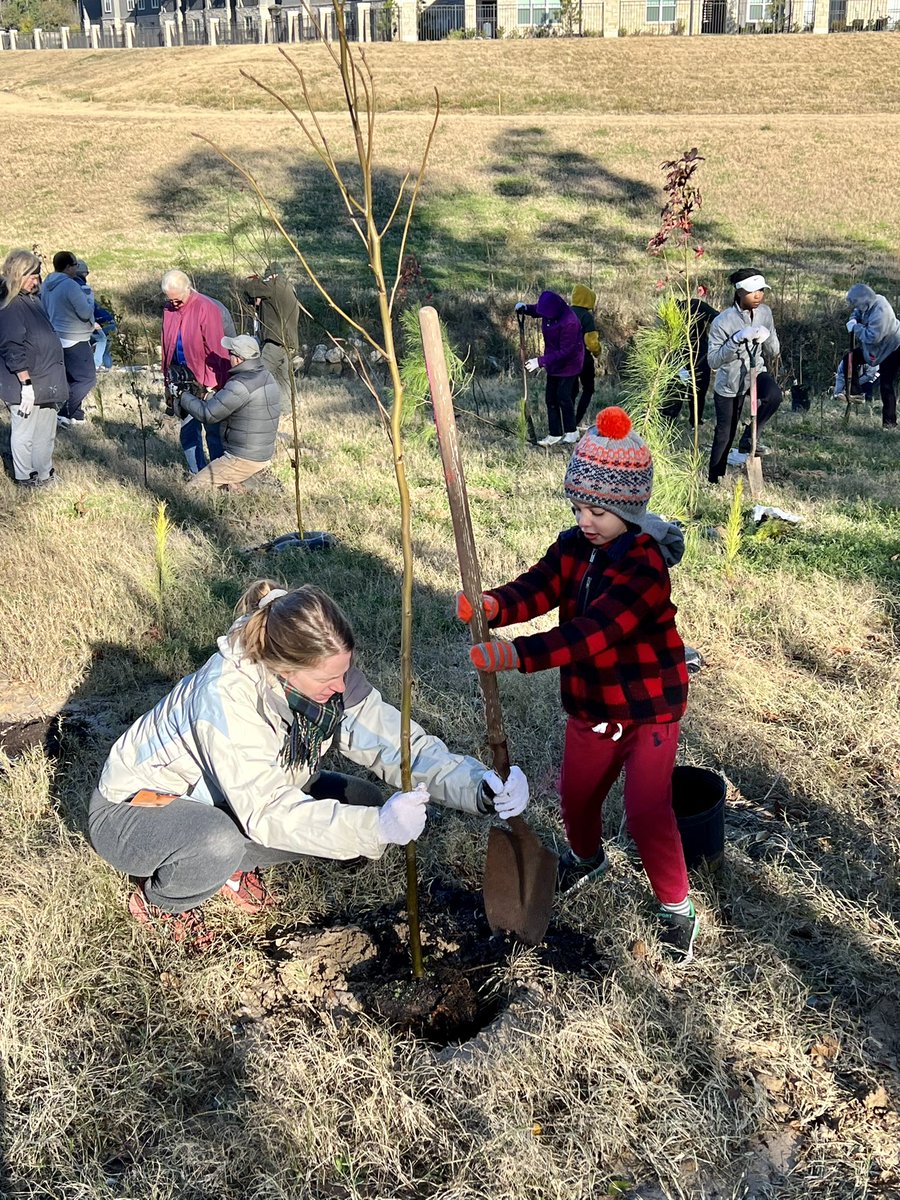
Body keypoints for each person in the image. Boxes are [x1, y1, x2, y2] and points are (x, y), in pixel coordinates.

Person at [88, 578, 530, 948]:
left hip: (229, 799)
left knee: (361, 799)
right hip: (137, 810)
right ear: (284, 669)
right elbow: (268, 813)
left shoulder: (321, 679)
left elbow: (393, 745)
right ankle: (159, 899)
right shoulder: (226, 700)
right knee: (219, 843)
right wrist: (376, 828)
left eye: (345, 672)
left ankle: (226, 867)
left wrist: (478, 786)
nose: (341, 687)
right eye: (328, 678)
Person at [457, 406, 697, 963]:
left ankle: (677, 907)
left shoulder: (644, 567)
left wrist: (517, 654)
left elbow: (594, 633)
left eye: (599, 510)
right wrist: (495, 605)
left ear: (630, 509)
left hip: (648, 710)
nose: (586, 519)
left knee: (645, 811)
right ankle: (587, 859)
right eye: (579, 506)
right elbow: (540, 587)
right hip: (592, 706)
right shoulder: (573, 545)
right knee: (576, 800)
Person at [706, 269, 782, 483]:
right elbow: (713, 361)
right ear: (739, 292)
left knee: (774, 395)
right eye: (752, 291)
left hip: (755, 371)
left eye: (761, 291)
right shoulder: (723, 322)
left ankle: (749, 439)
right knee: (725, 434)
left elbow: (774, 351)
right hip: (730, 382)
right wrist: (736, 339)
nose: (758, 296)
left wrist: (766, 338)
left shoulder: (765, 313)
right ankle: (714, 478)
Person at [177, 335, 280, 490]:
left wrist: (183, 396)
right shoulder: (266, 375)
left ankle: (245, 487)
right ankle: (242, 485)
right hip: (261, 454)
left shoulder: (240, 384)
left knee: (192, 489)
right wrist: (206, 396)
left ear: (238, 359)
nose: (228, 357)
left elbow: (207, 414)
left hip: (242, 459)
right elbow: (237, 402)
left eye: (230, 353)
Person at [0, 249, 67, 487]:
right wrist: (26, 384)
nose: (37, 280)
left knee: (45, 433)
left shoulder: (32, 300)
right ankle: (25, 478)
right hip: (26, 383)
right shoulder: (11, 306)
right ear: (19, 273)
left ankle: (44, 473)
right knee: (25, 432)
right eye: (33, 275)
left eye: (38, 274)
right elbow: (12, 347)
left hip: (47, 379)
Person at [160, 269, 229, 474]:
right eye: (170, 300)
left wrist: (215, 382)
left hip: (207, 381)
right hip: (182, 380)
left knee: (213, 430)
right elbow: (166, 346)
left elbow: (216, 347)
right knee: (188, 429)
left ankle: (219, 474)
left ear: (188, 289)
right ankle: (196, 471)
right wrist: (167, 380)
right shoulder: (168, 309)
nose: (174, 304)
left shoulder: (206, 308)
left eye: (178, 300)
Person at [515, 291, 584, 447]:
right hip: (553, 362)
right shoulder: (549, 311)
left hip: (569, 364)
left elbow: (566, 351)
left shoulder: (570, 322)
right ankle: (555, 433)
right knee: (551, 399)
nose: (545, 316)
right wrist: (525, 308)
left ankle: (572, 432)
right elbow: (538, 310)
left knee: (564, 397)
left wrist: (540, 361)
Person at [41, 249, 99, 426]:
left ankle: (77, 414)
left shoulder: (46, 284)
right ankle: (64, 413)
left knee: (71, 378)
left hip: (57, 336)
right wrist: (89, 301)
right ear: (67, 267)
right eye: (74, 265)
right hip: (76, 337)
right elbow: (84, 312)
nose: (76, 268)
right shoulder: (70, 285)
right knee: (87, 378)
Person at [241, 262, 300, 409]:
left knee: (260, 375)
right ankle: (286, 410)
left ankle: (253, 408)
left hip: (275, 340)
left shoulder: (273, 285)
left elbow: (249, 289)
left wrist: (256, 281)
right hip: (289, 341)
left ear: (271, 276)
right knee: (283, 379)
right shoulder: (288, 287)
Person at [661, 285, 719, 426]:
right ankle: (675, 419)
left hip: (695, 353)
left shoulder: (695, 305)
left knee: (687, 387)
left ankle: (687, 420)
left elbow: (718, 319)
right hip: (685, 353)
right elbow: (718, 319)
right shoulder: (695, 305)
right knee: (683, 387)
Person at [845, 284, 900, 429]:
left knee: (886, 385)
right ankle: (856, 393)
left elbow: (872, 337)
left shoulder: (881, 311)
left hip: (892, 349)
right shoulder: (867, 305)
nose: (854, 306)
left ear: (864, 300)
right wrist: (854, 320)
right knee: (850, 358)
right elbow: (856, 313)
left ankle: (890, 423)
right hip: (876, 349)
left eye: (856, 302)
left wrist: (855, 328)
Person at [74, 260, 116, 371]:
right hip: (103, 322)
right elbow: (88, 309)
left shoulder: (70, 287)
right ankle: (103, 367)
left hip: (94, 323)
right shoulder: (83, 288)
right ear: (84, 273)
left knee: (101, 340)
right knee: (103, 342)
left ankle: (98, 365)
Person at [570, 284, 602, 430]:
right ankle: (576, 421)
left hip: (567, 359)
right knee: (588, 389)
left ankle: (567, 422)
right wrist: (597, 352)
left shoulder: (566, 312)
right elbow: (591, 341)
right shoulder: (586, 316)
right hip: (583, 359)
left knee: (572, 390)